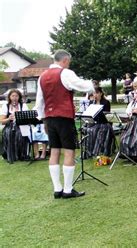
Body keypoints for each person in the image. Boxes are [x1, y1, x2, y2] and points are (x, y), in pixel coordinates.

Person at [35, 49, 94, 199]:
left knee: (54, 151)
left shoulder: (42, 76)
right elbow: (83, 86)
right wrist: (91, 84)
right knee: (69, 151)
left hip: (49, 118)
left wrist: (44, 120)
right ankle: (67, 189)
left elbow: (39, 102)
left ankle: (57, 189)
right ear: (65, 60)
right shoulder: (65, 73)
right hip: (64, 117)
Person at [83, 87, 115, 159]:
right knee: (85, 129)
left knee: (94, 130)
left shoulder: (106, 102)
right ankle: (88, 151)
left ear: (101, 93)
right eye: (94, 93)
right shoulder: (91, 103)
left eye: (97, 93)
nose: (95, 95)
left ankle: (97, 151)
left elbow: (106, 116)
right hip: (94, 123)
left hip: (104, 123)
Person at [0, 89, 30, 163]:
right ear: (9, 97)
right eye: (12, 96)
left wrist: (20, 116)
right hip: (9, 125)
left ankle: (22, 154)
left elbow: (28, 118)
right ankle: (10, 155)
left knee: (19, 133)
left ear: (19, 97)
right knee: (9, 132)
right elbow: (2, 121)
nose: (14, 98)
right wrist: (9, 118)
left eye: (16, 96)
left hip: (21, 125)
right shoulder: (6, 106)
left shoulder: (23, 105)